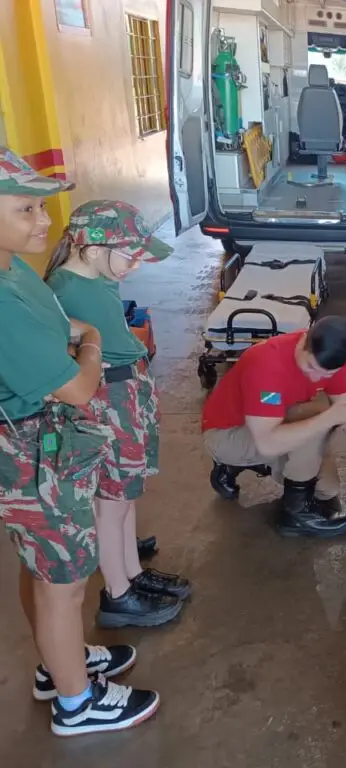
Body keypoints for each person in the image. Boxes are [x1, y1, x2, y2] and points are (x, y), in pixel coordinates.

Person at [0, 147, 159, 735]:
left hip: (50, 449)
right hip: (30, 453)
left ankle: (57, 663)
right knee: (62, 584)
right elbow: (77, 387)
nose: (45, 222)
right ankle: (77, 702)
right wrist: (91, 341)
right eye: (26, 209)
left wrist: (78, 333)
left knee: (45, 571)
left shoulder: (12, 265)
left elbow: (53, 321)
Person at [45, 199, 190, 630]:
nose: (133, 267)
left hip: (127, 391)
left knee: (125, 497)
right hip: (106, 396)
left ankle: (132, 574)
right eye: (128, 255)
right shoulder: (65, 288)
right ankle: (118, 594)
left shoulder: (96, 275)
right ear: (91, 247)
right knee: (112, 501)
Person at [202, 315, 346, 537]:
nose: (316, 378)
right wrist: (328, 419)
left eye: (326, 374)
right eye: (311, 367)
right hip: (226, 433)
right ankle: (295, 516)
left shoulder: (332, 357)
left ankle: (245, 467)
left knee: (328, 490)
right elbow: (268, 443)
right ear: (304, 341)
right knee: (315, 422)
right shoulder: (266, 362)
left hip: (270, 420)